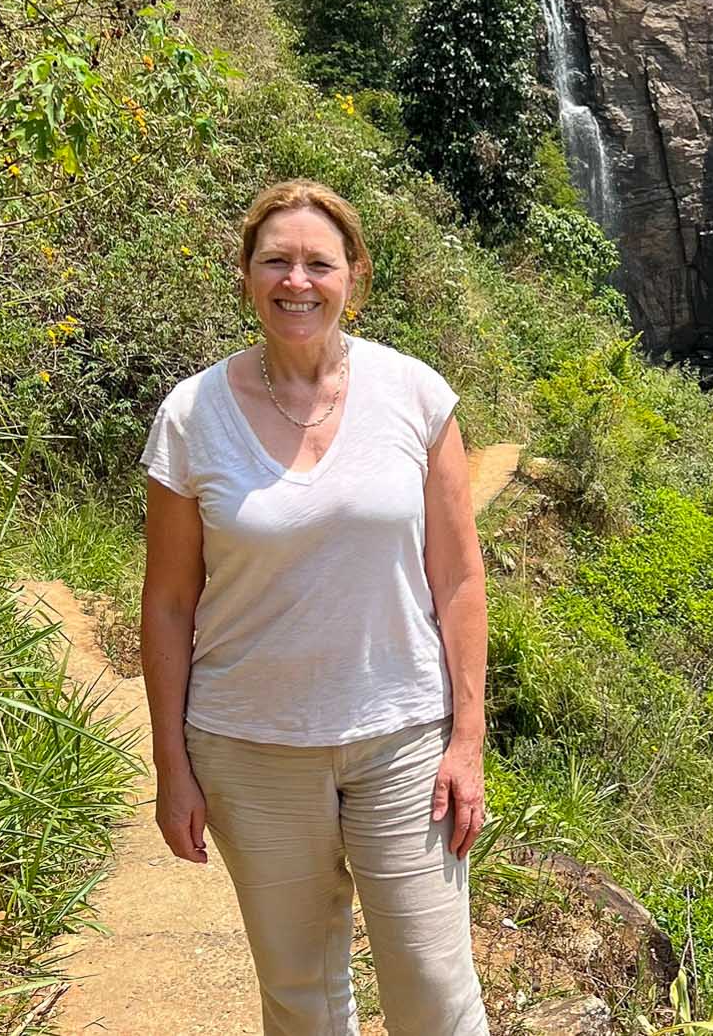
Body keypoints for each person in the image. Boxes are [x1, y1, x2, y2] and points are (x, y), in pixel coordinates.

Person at [139, 178, 490, 1036]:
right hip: (248, 746)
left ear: (354, 277)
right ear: (246, 277)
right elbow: (170, 601)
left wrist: (467, 740)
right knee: (300, 995)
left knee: (434, 988)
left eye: (318, 264)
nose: (296, 281)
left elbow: (458, 577)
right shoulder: (190, 415)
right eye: (276, 262)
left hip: (403, 737)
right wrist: (171, 766)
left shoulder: (414, 395)